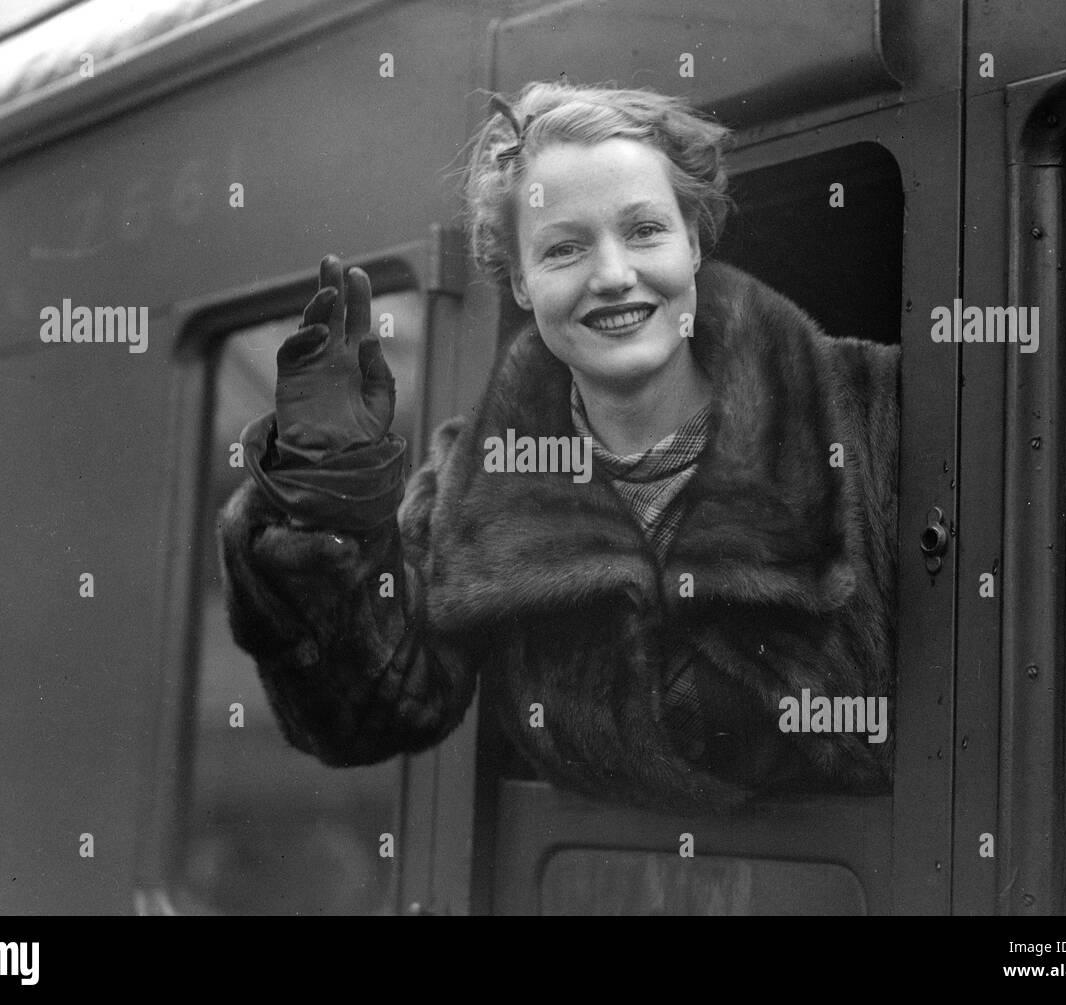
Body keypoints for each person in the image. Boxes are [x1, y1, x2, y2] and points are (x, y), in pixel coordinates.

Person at [218, 81, 900, 814]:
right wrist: (322, 497)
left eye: (644, 231)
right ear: (519, 280)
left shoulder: (876, 412)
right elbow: (371, 710)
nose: (612, 276)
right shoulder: (472, 482)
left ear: (694, 242)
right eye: (565, 247)